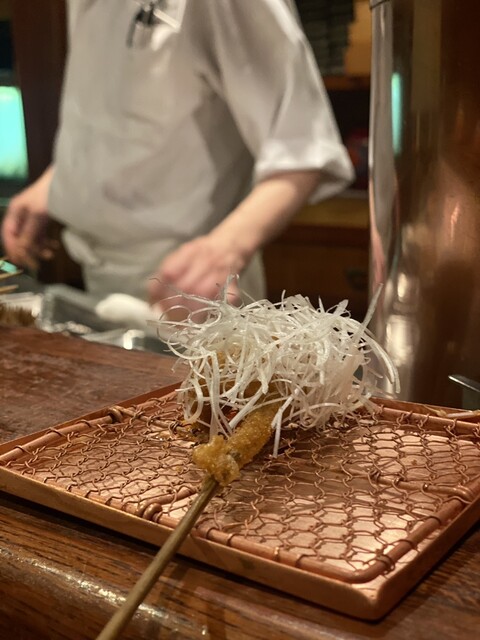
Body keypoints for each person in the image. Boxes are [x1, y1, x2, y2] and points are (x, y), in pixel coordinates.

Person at [1, 0, 353, 316]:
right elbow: (116, 116)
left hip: (194, 289)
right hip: (97, 279)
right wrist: (56, 182)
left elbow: (302, 151)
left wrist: (225, 249)